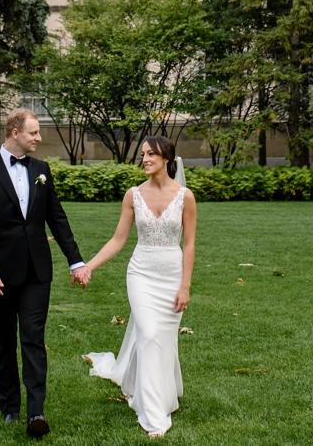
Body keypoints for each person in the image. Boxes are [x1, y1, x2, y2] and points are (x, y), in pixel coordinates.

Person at [0, 106, 90, 436]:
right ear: (15, 133)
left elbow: (57, 218)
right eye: (34, 132)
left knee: (33, 339)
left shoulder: (42, 169)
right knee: (4, 340)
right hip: (0, 275)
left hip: (38, 271)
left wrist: (76, 260)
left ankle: (36, 412)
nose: (39, 138)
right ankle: (9, 406)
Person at [84, 133, 196, 440]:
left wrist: (185, 287)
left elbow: (189, 245)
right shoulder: (132, 194)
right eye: (143, 155)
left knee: (162, 339)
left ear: (167, 160)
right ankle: (153, 414)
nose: (145, 159)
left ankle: (163, 396)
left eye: (151, 155)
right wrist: (89, 265)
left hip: (172, 275)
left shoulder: (185, 196)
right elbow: (118, 239)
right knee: (147, 334)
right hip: (141, 274)